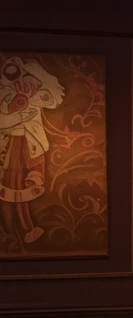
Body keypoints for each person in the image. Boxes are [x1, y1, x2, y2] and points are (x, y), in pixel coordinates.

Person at [0, 55, 65, 245]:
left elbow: (55, 99)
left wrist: (34, 77)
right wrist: (12, 108)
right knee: (8, 187)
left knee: (23, 187)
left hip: (29, 145)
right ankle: (11, 230)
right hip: (7, 144)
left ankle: (25, 228)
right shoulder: (4, 93)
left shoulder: (34, 91)